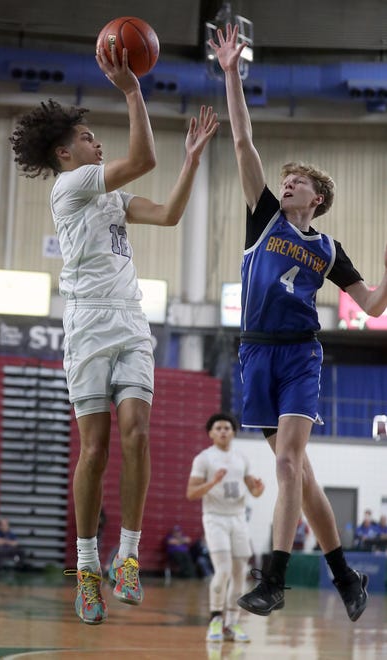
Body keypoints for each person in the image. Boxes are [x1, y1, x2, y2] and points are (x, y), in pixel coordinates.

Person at [10, 45, 219, 625]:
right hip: (85, 326)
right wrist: (131, 88)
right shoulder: (70, 188)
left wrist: (194, 162)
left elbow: (170, 214)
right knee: (95, 450)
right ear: (63, 152)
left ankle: (126, 556)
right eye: (86, 136)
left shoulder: (110, 197)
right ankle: (85, 569)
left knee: (138, 434)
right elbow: (144, 158)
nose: (96, 143)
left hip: (129, 322)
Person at [208, 23, 387, 622]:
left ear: (318, 198)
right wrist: (232, 72)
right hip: (255, 353)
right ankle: (345, 575)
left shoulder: (329, 249)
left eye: (299, 182)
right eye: (285, 179)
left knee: (287, 462)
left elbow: (374, 304)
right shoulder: (265, 219)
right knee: (302, 476)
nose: (287, 183)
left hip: (301, 355)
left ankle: (275, 579)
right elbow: (241, 141)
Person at [186, 412, 264, 643]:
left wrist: (259, 488)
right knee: (223, 569)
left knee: (241, 572)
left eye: (227, 428)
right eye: (218, 428)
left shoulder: (242, 458)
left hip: (238, 518)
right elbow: (191, 493)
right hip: (215, 518)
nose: (223, 431)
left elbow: (254, 491)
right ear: (211, 433)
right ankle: (215, 620)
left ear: (234, 432)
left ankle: (232, 623)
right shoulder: (204, 459)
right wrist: (213, 482)